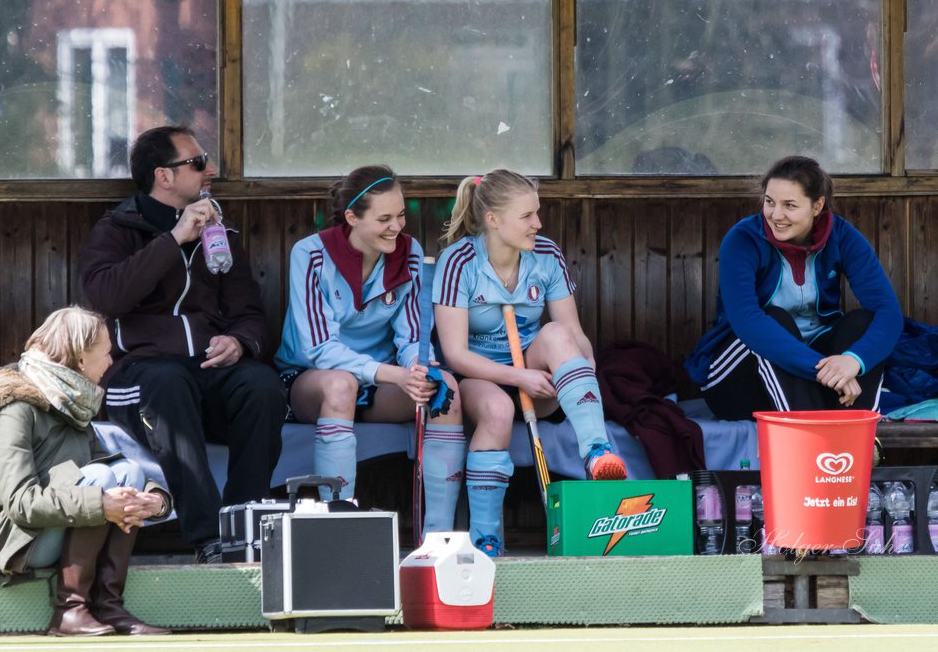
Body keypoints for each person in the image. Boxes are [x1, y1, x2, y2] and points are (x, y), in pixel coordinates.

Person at [78, 125, 287, 563]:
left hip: (208, 372)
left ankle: (246, 524)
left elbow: (250, 312)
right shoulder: (118, 228)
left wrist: (240, 341)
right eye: (197, 163)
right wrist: (173, 241)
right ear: (164, 176)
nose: (210, 170)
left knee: (262, 386)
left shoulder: (221, 233)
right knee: (168, 382)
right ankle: (209, 536)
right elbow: (107, 297)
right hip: (141, 377)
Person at [434, 169, 626, 557]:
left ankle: (596, 451)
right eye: (527, 216)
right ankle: (485, 539)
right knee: (496, 409)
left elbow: (572, 332)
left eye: (537, 214)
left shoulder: (546, 255)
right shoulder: (458, 262)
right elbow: (455, 354)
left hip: (537, 376)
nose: (538, 224)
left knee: (557, 335)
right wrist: (517, 375)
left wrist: (581, 365)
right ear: (493, 220)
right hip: (478, 376)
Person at [0, 307, 171, 637]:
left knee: (125, 469)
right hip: (5, 540)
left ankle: (108, 606)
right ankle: (70, 610)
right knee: (102, 482)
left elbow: (115, 467)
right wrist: (101, 504)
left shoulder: (70, 403)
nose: (111, 362)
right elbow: (21, 504)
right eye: (107, 352)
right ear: (80, 359)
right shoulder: (12, 411)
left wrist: (156, 501)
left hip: (45, 530)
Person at [275, 165, 465, 531]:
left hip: (378, 385)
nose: (397, 226)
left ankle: (438, 537)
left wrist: (420, 368)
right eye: (384, 218)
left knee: (447, 390)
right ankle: (338, 526)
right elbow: (319, 350)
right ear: (352, 218)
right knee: (340, 385)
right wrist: (397, 373)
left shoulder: (409, 254)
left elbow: (411, 337)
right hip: (310, 382)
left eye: (401, 215)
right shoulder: (310, 254)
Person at [685, 155, 902, 419]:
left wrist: (853, 361)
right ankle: (809, 440)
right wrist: (825, 371)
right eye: (769, 202)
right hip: (737, 383)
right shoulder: (743, 239)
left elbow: (888, 312)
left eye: (789, 205)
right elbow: (747, 321)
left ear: (817, 206)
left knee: (862, 322)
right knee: (774, 319)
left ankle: (858, 435)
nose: (776, 215)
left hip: (817, 378)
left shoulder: (842, 236)